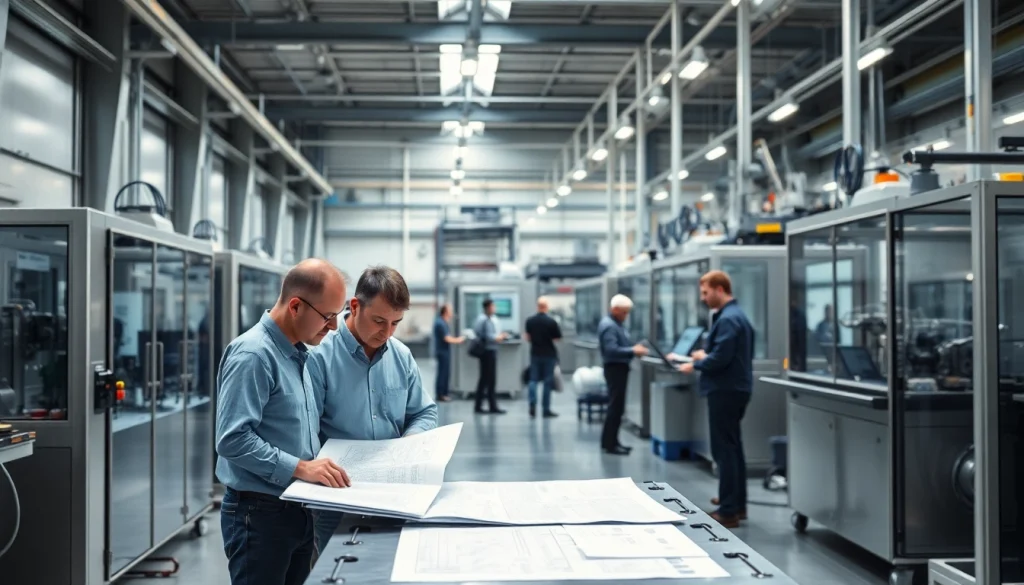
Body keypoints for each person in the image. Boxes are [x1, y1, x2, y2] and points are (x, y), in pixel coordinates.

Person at [215, 258, 350, 585]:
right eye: (329, 316)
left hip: (297, 507)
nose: (333, 327)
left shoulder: (298, 354)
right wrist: (302, 468)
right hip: (259, 516)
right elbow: (232, 438)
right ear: (295, 306)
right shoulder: (254, 355)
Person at [305, 265, 439, 553]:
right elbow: (306, 430)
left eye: (395, 323)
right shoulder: (319, 356)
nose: (387, 332)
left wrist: (410, 442)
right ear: (354, 306)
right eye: (379, 320)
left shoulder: (401, 356)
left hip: (394, 494)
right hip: (337, 497)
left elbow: (424, 412)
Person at [676, 270, 754, 528]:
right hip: (735, 388)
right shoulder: (735, 316)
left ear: (720, 290)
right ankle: (737, 502)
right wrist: (703, 356)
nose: (704, 298)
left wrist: (697, 363)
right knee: (733, 447)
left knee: (724, 449)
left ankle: (728, 510)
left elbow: (721, 358)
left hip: (726, 389)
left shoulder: (729, 319)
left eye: (706, 293)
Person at [597, 294, 648, 455]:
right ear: (615, 309)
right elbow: (611, 350)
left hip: (619, 368)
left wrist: (632, 347)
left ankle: (612, 441)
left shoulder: (616, 325)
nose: (626, 316)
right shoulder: (610, 326)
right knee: (615, 407)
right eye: (624, 312)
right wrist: (633, 350)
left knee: (617, 407)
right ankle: (610, 444)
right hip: (615, 369)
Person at [524, 296, 562, 418]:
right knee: (547, 381)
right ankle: (546, 409)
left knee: (533, 380)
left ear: (537, 306)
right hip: (549, 355)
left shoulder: (530, 321)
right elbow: (557, 338)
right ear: (546, 307)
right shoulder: (551, 322)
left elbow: (528, 338)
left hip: (535, 353)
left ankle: (532, 404)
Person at [473, 299, 509, 414]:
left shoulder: (483, 319)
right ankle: (491, 406)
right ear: (488, 307)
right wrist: (499, 337)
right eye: (493, 306)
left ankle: (482, 405)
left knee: (485, 379)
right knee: (489, 380)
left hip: (489, 351)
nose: (494, 308)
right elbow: (488, 336)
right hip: (488, 352)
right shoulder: (485, 320)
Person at [433, 303, 464, 402]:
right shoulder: (440, 323)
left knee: (445, 373)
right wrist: (458, 340)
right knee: (443, 373)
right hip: (442, 352)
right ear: (445, 311)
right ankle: (441, 394)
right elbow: (447, 338)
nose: (452, 312)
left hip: (445, 351)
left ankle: (444, 393)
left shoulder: (443, 322)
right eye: (450, 310)